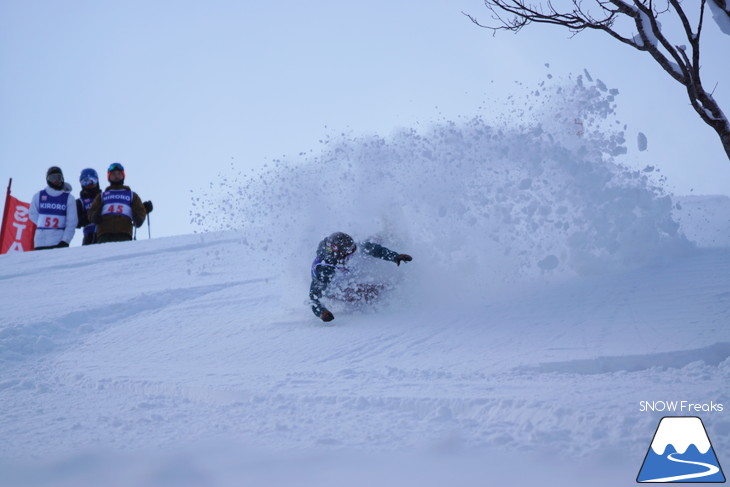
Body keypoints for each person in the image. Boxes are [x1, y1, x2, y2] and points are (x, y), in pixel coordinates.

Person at [309, 232, 412, 322]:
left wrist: (394, 256)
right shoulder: (325, 270)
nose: (352, 253)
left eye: (353, 249)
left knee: (368, 245)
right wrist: (322, 313)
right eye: (349, 253)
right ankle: (388, 288)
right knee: (367, 293)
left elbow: (375, 250)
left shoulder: (347, 249)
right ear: (340, 255)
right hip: (335, 289)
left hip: (345, 273)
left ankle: (387, 231)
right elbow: (314, 298)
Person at [88, 162, 150, 243]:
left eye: (119, 174)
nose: (116, 176)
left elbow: (140, 209)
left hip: (124, 233)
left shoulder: (131, 195)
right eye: (113, 174)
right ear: (109, 177)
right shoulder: (102, 196)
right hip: (104, 234)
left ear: (123, 176)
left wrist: (139, 218)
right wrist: (94, 216)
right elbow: (91, 212)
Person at [29, 166, 78, 250]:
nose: (56, 181)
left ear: (62, 178)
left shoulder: (69, 198)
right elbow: (32, 214)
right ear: (48, 180)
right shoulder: (39, 196)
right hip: (40, 242)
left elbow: (72, 222)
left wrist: (65, 241)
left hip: (58, 241)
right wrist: (44, 226)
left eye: (58, 177)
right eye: (52, 178)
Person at [75, 168, 102, 245]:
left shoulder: (104, 197)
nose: (89, 185)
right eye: (85, 182)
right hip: (89, 236)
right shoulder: (80, 202)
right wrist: (89, 218)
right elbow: (75, 222)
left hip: (104, 233)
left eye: (92, 181)